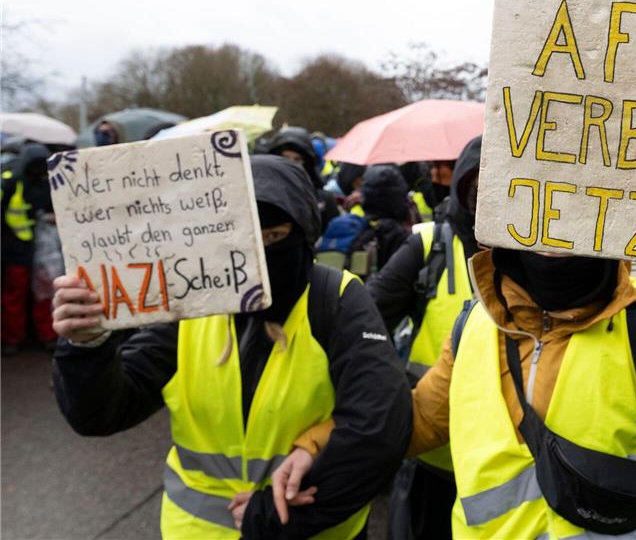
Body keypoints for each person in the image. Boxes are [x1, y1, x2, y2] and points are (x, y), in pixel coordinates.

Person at [276, 153, 636, 540]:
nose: (557, 227)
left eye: (578, 204)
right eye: (539, 202)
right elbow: (413, 422)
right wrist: (316, 447)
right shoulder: (473, 328)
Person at [51, 155, 411, 539]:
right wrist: (87, 345)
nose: (258, 254)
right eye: (243, 236)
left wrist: (284, 516)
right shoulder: (190, 305)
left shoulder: (335, 299)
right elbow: (102, 413)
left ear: (305, 232)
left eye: (274, 236)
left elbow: (380, 426)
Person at [367, 136, 481, 540]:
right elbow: (367, 320)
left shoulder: (541, 249)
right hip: (432, 460)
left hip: (514, 465)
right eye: (476, 185)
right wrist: (387, 395)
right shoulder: (429, 243)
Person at [1, 143, 57, 353]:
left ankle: (45, 335)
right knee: (16, 295)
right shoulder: (12, 182)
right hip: (17, 249)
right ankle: (14, 338)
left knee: (44, 294)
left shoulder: (47, 182)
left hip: (41, 249)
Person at [268, 126, 340, 233]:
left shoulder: (322, 199)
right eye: (285, 158)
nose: (290, 164)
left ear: (306, 163)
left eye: (297, 159)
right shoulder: (265, 195)